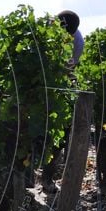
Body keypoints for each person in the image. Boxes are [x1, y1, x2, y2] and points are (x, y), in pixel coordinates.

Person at [40, 10, 85, 193]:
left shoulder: (78, 43)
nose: (65, 37)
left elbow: (67, 71)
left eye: (68, 35)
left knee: (58, 136)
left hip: (61, 88)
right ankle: (27, 177)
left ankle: (47, 179)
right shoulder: (44, 30)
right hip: (37, 85)